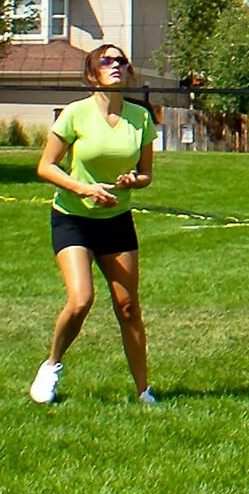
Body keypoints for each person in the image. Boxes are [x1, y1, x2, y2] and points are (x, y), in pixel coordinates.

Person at [30, 43, 157, 406]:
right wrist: (83, 187)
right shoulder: (75, 114)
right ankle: (52, 366)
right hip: (73, 218)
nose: (116, 65)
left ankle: (144, 391)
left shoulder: (141, 118)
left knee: (128, 305)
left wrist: (136, 181)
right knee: (82, 299)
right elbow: (46, 166)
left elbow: (147, 174)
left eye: (121, 61)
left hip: (116, 220)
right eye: (107, 60)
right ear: (92, 73)